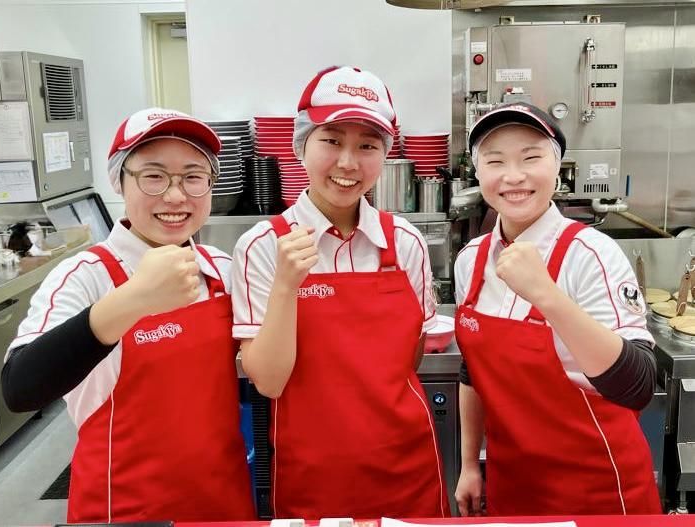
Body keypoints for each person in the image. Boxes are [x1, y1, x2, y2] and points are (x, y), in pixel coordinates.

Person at [2, 108, 256, 523]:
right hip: (122, 511)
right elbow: (20, 387)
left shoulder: (222, 270)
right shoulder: (86, 276)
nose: (176, 196)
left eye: (193, 177)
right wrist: (132, 300)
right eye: (154, 176)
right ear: (119, 180)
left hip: (222, 503)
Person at [231, 66, 449, 519]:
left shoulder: (404, 242)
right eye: (331, 141)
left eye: (367, 146)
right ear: (301, 145)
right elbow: (268, 382)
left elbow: (409, 358)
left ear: (384, 155)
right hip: (314, 475)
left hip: (407, 468)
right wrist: (287, 286)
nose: (348, 163)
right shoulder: (262, 246)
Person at [453, 102, 662, 517]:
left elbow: (638, 384)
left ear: (557, 166)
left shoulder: (592, 254)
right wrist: (469, 464)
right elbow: (472, 370)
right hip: (513, 487)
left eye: (531, 158)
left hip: (598, 490)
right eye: (495, 161)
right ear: (478, 173)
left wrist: (547, 295)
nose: (514, 176)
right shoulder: (470, 260)